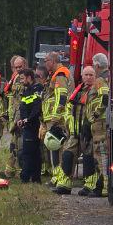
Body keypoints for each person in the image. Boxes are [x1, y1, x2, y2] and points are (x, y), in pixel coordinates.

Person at [53, 64, 92, 195]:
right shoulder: (78, 91)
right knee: (67, 155)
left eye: (91, 75)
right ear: (82, 76)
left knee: (89, 159)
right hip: (74, 132)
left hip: (89, 134)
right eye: (86, 75)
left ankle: (90, 186)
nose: (88, 77)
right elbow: (68, 109)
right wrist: (69, 124)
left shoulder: (97, 92)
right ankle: (64, 184)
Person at [79, 54, 111, 197]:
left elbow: (105, 98)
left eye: (93, 65)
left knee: (101, 154)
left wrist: (94, 116)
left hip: (100, 124)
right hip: (102, 123)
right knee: (102, 154)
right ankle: (103, 185)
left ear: (97, 66)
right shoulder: (107, 76)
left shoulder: (99, 80)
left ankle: (105, 187)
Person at [41, 52, 72, 187]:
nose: (44, 63)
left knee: (56, 147)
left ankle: (58, 177)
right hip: (54, 117)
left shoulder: (60, 75)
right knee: (54, 147)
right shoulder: (56, 74)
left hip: (58, 118)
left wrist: (56, 116)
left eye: (46, 60)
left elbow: (62, 96)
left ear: (52, 61)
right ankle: (57, 176)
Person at [14, 67, 44, 182]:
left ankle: (25, 178)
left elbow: (37, 107)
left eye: (22, 78)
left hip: (33, 126)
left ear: (29, 77)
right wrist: (22, 119)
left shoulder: (37, 89)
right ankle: (36, 179)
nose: (21, 81)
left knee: (28, 153)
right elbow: (24, 108)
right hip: (28, 125)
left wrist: (27, 120)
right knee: (34, 153)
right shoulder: (27, 91)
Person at [0, 55, 27, 178]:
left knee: (20, 146)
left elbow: (22, 100)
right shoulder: (14, 78)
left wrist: (19, 119)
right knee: (13, 145)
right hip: (14, 117)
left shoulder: (26, 78)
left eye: (20, 67)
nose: (18, 69)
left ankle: (21, 171)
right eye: (16, 67)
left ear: (25, 65)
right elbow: (12, 99)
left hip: (21, 117)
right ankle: (10, 171)